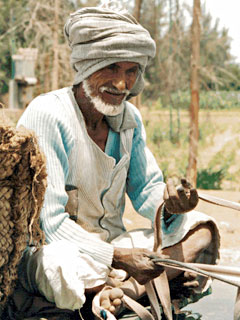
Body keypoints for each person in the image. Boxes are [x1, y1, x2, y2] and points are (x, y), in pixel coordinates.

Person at [9, 6, 219, 320]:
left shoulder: (128, 119)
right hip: (58, 252)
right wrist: (119, 257)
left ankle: (118, 295)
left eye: (131, 70)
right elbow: (48, 225)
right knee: (61, 267)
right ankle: (117, 289)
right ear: (85, 66)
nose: (122, 84)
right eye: (111, 68)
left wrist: (172, 207)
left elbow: (148, 192)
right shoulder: (48, 114)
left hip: (112, 251)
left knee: (203, 229)